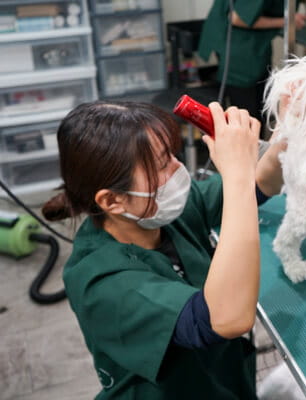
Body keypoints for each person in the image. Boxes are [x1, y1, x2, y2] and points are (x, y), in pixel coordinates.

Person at [42, 100, 286, 399]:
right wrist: (237, 174)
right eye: (161, 165)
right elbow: (228, 318)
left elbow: (263, 180)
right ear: (112, 200)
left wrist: (290, 129)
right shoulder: (102, 281)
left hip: (222, 384)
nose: (178, 168)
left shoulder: (163, 213)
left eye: (172, 154)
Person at [199, 0, 306, 132]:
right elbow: (237, 18)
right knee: (248, 120)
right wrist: (287, 21)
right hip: (240, 49)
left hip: (256, 47)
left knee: (259, 112)